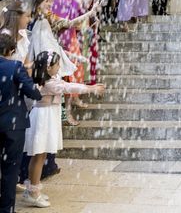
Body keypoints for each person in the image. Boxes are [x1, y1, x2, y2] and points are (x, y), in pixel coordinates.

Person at [23, 51, 104, 208]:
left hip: (47, 116)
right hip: (43, 118)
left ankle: (33, 188)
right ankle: (33, 192)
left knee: (41, 154)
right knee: (39, 155)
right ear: (48, 67)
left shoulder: (48, 79)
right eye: (57, 64)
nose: (59, 67)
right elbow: (68, 87)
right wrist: (91, 88)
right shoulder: (49, 83)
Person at [0, 33, 42, 213]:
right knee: (10, 170)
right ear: (11, 50)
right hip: (13, 126)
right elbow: (33, 93)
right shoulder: (15, 66)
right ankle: (6, 209)